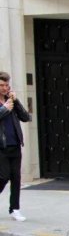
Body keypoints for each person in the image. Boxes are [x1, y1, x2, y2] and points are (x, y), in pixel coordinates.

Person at [0, 71, 31, 221]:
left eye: (6, 85)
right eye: (1, 85)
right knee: (3, 176)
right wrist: (4, 108)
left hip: (15, 145)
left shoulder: (11, 101)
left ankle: (15, 209)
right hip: (1, 147)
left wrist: (16, 102)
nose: (4, 88)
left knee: (16, 178)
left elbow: (26, 117)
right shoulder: (5, 105)